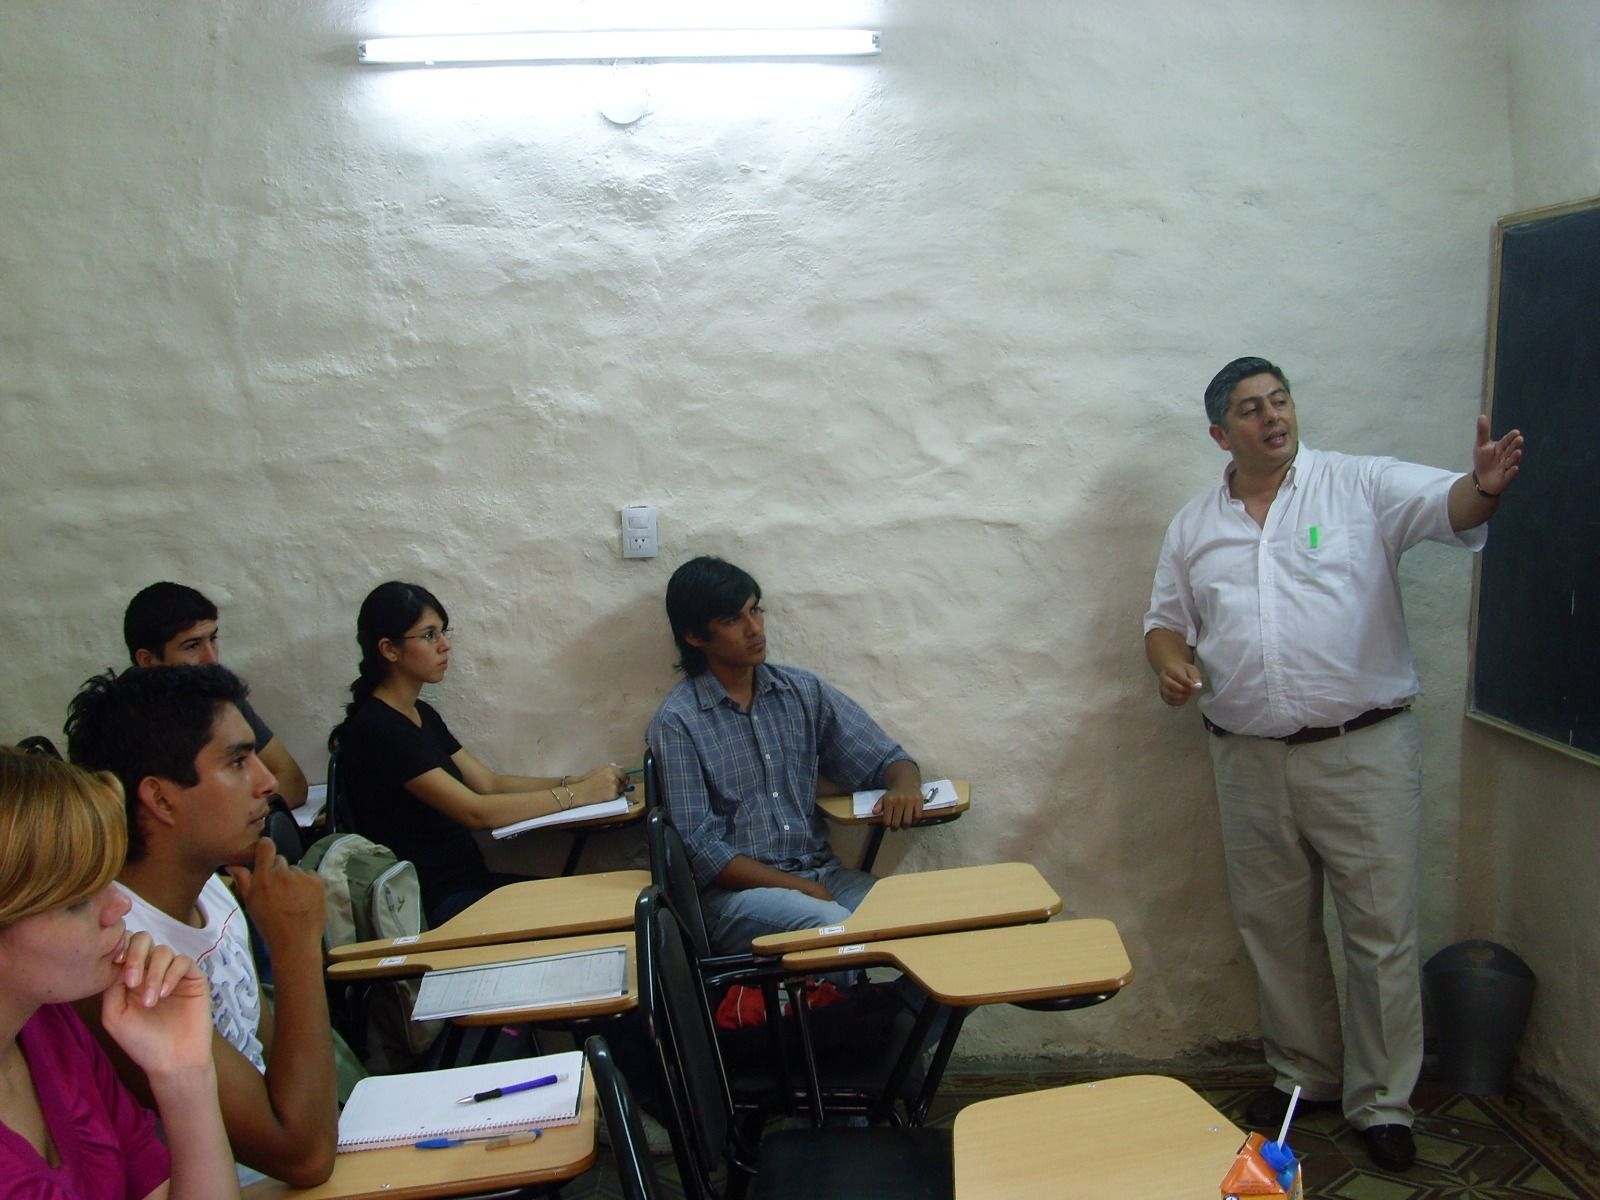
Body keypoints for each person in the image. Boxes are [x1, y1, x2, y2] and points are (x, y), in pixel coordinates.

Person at [1143, 356, 1523, 1173]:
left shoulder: (1360, 486)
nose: (1272, 417)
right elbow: (1164, 622)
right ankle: (1304, 1077)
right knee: (1276, 931)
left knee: (1380, 931)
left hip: (1364, 753)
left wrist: (1484, 485)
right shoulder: (1193, 526)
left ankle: (1383, 1102)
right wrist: (1169, 663)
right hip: (1246, 759)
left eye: (1279, 400)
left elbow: (1449, 504)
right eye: (1250, 409)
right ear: (1220, 432)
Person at [64, 666, 337, 1188]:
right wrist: (297, 947)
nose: (268, 782)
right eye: (237, 761)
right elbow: (302, 1155)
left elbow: (281, 1069)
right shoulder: (119, 953)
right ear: (160, 799)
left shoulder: (213, 888)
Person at [646, 556, 926, 955]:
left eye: (755, 610)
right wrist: (803, 889)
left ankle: (888, 1014)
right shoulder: (678, 721)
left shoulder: (800, 692)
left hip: (821, 873)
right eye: (733, 619)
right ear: (695, 636)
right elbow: (702, 852)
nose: (754, 628)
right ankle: (837, 1015)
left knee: (919, 913)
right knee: (831, 927)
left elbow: (885, 760)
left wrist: (905, 786)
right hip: (732, 899)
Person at [0, 748, 240, 1200]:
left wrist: (184, 1075)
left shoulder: (51, 1029)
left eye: (106, 880)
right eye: (76, 901)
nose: (120, 906)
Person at [327, 581, 628, 923]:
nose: (445, 645)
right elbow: (476, 812)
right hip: (433, 902)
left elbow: (489, 784)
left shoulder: (420, 714)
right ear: (389, 649)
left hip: (470, 883)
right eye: (429, 635)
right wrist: (579, 794)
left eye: (443, 632)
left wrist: (575, 780)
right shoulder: (378, 729)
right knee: (588, 915)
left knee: (602, 902)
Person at [123, 582, 310, 811]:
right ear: (147, 660)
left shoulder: (222, 699)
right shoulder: (118, 722)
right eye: (192, 646)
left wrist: (236, 821)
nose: (211, 659)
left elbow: (293, 782)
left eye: (212, 639)